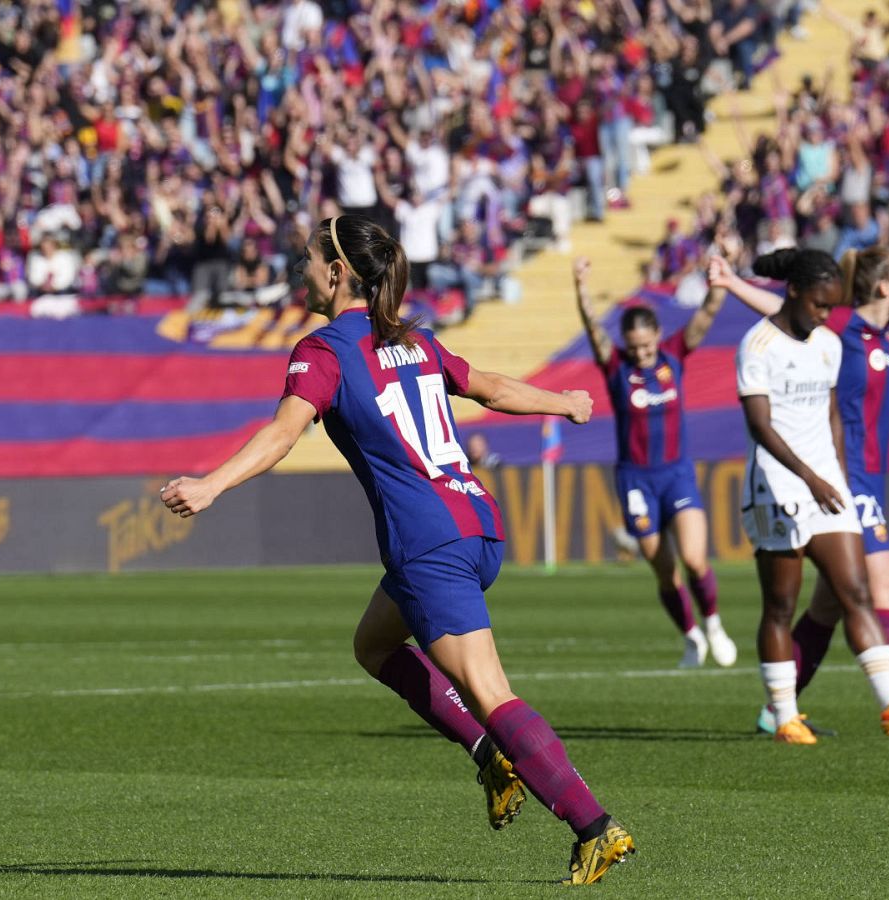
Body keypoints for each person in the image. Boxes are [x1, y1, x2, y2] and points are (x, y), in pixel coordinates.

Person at [160, 215, 634, 884]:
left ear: (337, 272)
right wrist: (566, 403)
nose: (299, 270)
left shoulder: (322, 350)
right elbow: (490, 388)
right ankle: (490, 756)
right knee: (373, 647)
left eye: (307, 259)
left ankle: (594, 827)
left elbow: (282, 434)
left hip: (427, 542)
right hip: (476, 525)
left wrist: (211, 485)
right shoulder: (415, 340)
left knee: (489, 690)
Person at [711, 235, 889, 736]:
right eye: (821, 304)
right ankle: (783, 716)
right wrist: (811, 475)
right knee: (781, 605)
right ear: (797, 292)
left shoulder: (830, 342)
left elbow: (831, 416)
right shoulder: (758, 346)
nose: (828, 314)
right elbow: (760, 425)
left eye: (833, 305)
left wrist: (839, 478)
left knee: (855, 591)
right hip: (778, 489)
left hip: (832, 485)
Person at [572, 257, 739, 669]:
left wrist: (723, 275)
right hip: (635, 481)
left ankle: (714, 622)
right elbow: (595, 333)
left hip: (677, 474)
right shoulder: (617, 369)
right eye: (635, 348)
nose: (643, 354)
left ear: (658, 337)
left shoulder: (674, 356)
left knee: (696, 558)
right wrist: (582, 291)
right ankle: (691, 637)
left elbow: (709, 312)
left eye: (648, 345)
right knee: (665, 572)